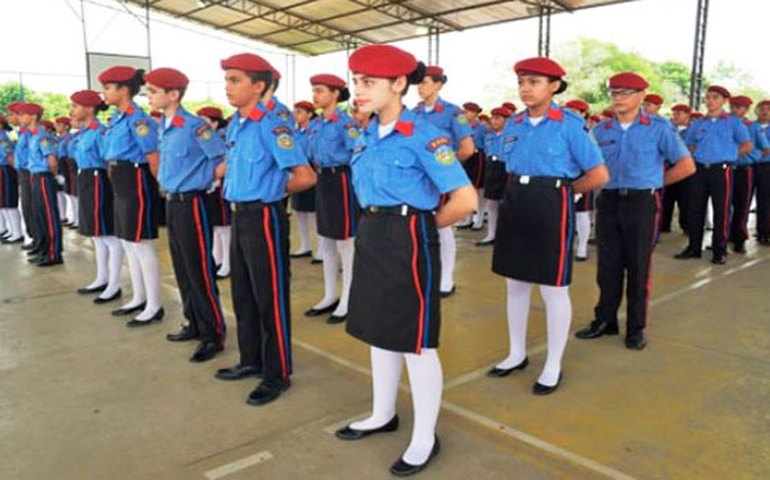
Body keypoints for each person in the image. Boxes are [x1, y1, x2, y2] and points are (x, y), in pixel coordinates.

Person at [335, 43, 477, 477]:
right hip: (373, 232)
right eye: (356, 81)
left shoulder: (424, 135)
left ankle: (424, 436)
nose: (359, 90)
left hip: (409, 235)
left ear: (399, 84)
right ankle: (383, 414)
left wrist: (422, 226)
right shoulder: (366, 133)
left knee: (416, 342)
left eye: (369, 82)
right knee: (380, 329)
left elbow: (466, 199)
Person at [487, 57, 609, 394]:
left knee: (554, 288)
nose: (526, 88)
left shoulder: (570, 124)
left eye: (534, 82)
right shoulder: (513, 124)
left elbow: (599, 175)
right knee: (515, 284)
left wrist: (565, 195)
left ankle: (553, 363)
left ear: (554, 86)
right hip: (516, 201)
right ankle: (516, 353)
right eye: (522, 82)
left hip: (551, 203)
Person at [212, 53, 316, 406]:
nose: (228, 86)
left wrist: (271, 191)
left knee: (270, 296)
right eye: (226, 79)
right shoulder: (238, 125)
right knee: (243, 293)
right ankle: (251, 359)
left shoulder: (274, 125)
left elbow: (305, 177)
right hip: (239, 215)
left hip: (264, 217)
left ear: (259, 86)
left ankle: (277, 372)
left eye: (235, 80)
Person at [573, 72, 695, 350]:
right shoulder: (601, 130)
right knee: (607, 266)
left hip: (641, 204)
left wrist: (653, 183)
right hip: (609, 201)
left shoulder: (659, 127)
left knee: (638, 267)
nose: (618, 99)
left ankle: (635, 328)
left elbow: (686, 166)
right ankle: (605, 320)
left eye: (624, 93)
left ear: (641, 96)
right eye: (614, 93)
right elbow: (587, 165)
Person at [145, 67, 227, 362]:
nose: (149, 96)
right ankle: (194, 322)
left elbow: (221, 160)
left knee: (199, 269)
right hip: (173, 203)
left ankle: (213, 334)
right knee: (181, 266)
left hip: (193, 202)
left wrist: (206, 182)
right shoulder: (164, 126)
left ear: (173, 95)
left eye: (154, 91)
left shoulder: (196, 127)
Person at [99, 65, 165, 326]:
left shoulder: (139, 121)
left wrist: (161, 186)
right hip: (122, 179)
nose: (104, 93)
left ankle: (154, 304)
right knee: (127, 241)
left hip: (137, 178)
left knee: (141, 243)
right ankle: (139, 297)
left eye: (107, 87)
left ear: (123, 90)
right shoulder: (117, 118)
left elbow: (153, 157)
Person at [413, 65, 474, 297]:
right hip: (419, 178)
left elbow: (467, 148)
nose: (420, 87)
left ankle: (446, 277)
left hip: (441, 178)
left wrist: (444, 170)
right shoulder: (415, 112)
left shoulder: (452, 112)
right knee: (422, 224)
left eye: (425, 82)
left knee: (444, 225)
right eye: (418, 83)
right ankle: (426, 271)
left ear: (438, 84)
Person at [675, 85, 752, 264]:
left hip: (721, 170)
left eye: (715, 97)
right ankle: (694, 247)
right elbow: (689, 144)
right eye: (707, 97)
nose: (710, 101)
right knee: (695, 209)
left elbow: (747, 145)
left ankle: (720, 249)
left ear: (724, 101)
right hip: (699, 169)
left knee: (721, 210)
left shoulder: (733, 122)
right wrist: (694, 154)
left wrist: (730, 155)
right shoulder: (699, 123)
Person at [304, 74, 358, 324]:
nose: (315, 95)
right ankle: (330, 295)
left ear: (335, 94)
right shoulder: (315, 124)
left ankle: (348, 298)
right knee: (325, 240)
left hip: (342, 181)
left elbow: (358, 153)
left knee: (345, 242)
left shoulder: (345, 124)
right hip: (322, 180)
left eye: (320, 90)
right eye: (314, 90)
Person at [69, 89, 124, 303]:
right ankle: (102, 278)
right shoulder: (84, 133)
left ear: (90, 108)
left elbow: (109, 162)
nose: (71, 111)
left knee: (107, 234)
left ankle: (114, 284)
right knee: (96, 234)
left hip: (98, 180)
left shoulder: (100, 132)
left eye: (75, 105)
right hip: (85, 179)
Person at [19, 103, 63, 266]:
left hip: (43, 177)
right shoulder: (32, 135)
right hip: (35, 176)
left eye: (23, 115)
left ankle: (54, 253)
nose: (20, 118)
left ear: (32, 117)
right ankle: (44, 249)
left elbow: (52, 161)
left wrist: (49, 177)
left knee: (49, 217)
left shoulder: (42, 136)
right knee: (40, 216)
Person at [728, 95, 769, 252]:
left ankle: (739, 238)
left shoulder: (752, 127)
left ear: (746, 110)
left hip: (745, 169)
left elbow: (765, 148)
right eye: (733, 107)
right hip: (727, 168)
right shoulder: (724, 124)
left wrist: (752, 157)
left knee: (742, 205)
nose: (735, 110)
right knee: (725, 205)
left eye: (739, 108)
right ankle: (725, 235)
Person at [197, 106, 233, 278]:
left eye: (205, 121)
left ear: (215, 123)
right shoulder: (205, 138)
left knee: (224, 225)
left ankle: (228, 263)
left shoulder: (221, 137)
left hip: (221, 183)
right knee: (216, 225)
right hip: (209, 183)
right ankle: (218, 258)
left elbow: (226, 160)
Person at [289, 100, 322, 262]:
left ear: (309, 114)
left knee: (314, 213)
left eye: (300, 112)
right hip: (297, 171)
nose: (296, 115)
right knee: (299, 211)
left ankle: (321, 249)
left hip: (311, 170)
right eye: (295, 112)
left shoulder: (314, 131)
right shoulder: (295, 133)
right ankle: (305, 245)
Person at [476, 105, 512, 246]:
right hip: (492, 167)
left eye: (498, 118)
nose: (494, 121)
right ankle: (491, 234)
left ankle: (507, 235)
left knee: (508, 203)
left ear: (506, 120)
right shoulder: (489, 136)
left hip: (506, 168)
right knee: (491, 202)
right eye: (493, 118)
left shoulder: (511, 136)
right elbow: (487, 152)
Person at [564, 99, 595, 261]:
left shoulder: (587, 132)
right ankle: (566, 245)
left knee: (582, 212)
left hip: (583, 173)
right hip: (563, 174)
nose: (570, 115)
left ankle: (582, 246)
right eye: (568, 111)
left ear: (584, 114)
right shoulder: (561, 128)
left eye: (575, 112)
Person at [660, 104, 694, 234]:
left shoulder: (694, 129)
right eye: (674, 114)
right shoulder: (668, 128)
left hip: (687, 168)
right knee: (667, 197)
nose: (675, 116)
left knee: (686, 199)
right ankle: (664, 224)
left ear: (687, 115)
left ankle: (687, 226)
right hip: (669, 166)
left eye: (679, 114)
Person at [461, 101, 487, 230]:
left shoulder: (481, 127)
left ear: (475, 113)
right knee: (467, 187)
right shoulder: (462, 126)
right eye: (464, 111)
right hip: (466, 156)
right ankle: (468, 218)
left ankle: (479, 218)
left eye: (468, 111)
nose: (465, 114)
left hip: (478, 157)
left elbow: (486, 143)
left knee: (478, 188)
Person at [0, 114, 23, 243]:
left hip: (6, 170)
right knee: (3, 202)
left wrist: (16, 173)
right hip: (2, 170)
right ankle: (8, 230)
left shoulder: (3, 139)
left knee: (9, 202)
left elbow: (10, 157)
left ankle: (17, 233)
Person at [755, 99, 770, 245]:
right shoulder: (749, 126)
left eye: (768, 109)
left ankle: (763, 233)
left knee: (765, 201)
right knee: (741, 201)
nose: (765, 111)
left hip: (767, 167)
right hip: (749, 166)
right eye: (762, 108)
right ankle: (736, 233)